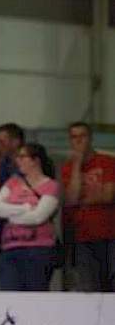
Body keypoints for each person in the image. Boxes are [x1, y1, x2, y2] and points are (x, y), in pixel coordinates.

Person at [0, 143, 60, 291]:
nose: (18, 160)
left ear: (35, 160)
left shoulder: (51, 186)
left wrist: (11, 215)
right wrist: (25, 208)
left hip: (38, 249)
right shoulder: (12, 182)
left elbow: (38, 217)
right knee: (10, 294)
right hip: (11, 247)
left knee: (35, 293)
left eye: (23, 157)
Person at [61, 122, 115, 292]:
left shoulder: (107, 161)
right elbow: (70, 198)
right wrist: (77, 165)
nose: (78, 141)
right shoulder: (68, 167)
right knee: (91, 286)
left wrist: (81, 198)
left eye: (82, 136)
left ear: (90, 138)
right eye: (74, 137)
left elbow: (108, 195)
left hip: (109, 233)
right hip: (82, 236)